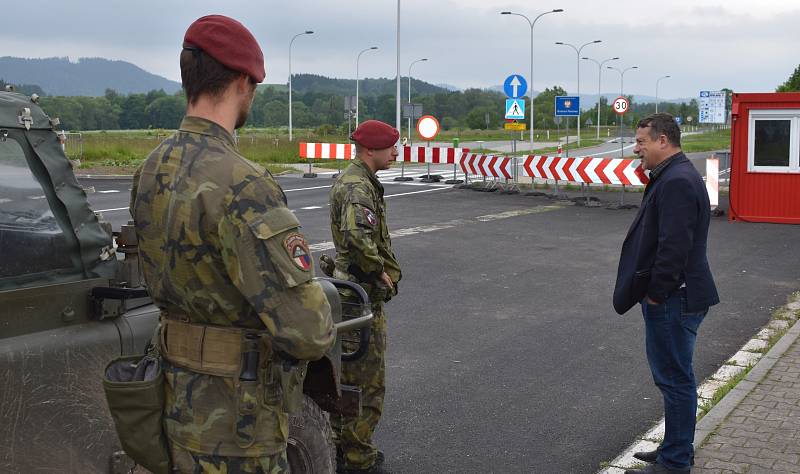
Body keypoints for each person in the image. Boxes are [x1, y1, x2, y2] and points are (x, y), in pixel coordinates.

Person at [130, 15, 335, 473]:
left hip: (171, 402)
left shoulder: (151, 168)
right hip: (237, 425)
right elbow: (308, 331)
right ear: (243, 82)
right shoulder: (245, 184)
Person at [613, 113, 720, 473]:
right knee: (675, 378)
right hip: (679, 295)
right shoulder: (674, 174)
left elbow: (673, 246)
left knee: (675, 380)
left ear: (663, 141)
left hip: (675, 297)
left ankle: (675, 461)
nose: (636, 148)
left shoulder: (676, 180)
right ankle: (674, 449)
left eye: (642, 141)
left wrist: (656, 293)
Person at [329, 120, 402, 474]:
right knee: (367, 384)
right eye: (390, 147)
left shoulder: (356, 180)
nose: (396, 152)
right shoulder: (358, 187)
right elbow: (359, 239)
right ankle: (358, 459)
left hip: (350, 294)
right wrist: (379, 271)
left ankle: (341, 450)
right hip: (360, 297)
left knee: (347, 378)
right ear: (371, 149)